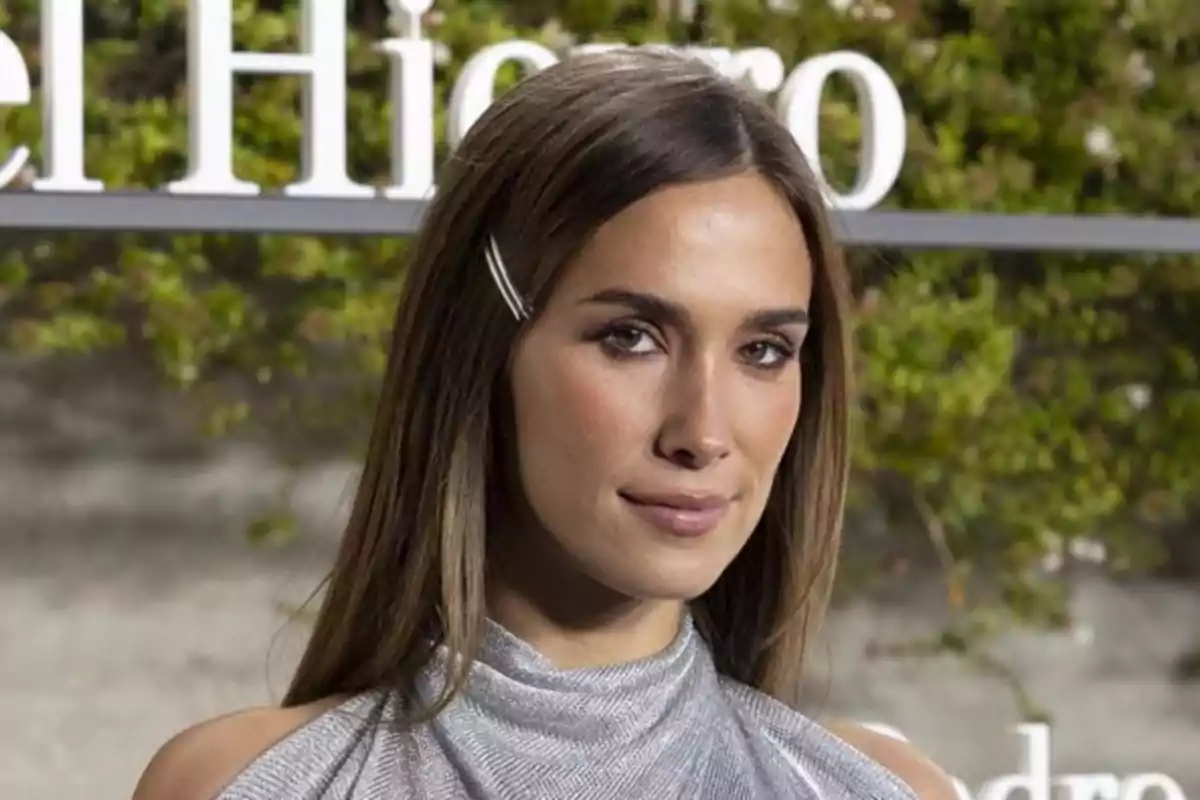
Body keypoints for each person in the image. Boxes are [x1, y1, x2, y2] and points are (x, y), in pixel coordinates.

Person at [132, 49, 957, 800]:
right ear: (480, 350)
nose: (703, 432)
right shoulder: (248, 786)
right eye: (630, 337)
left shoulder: (880, 791)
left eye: (765, 350)